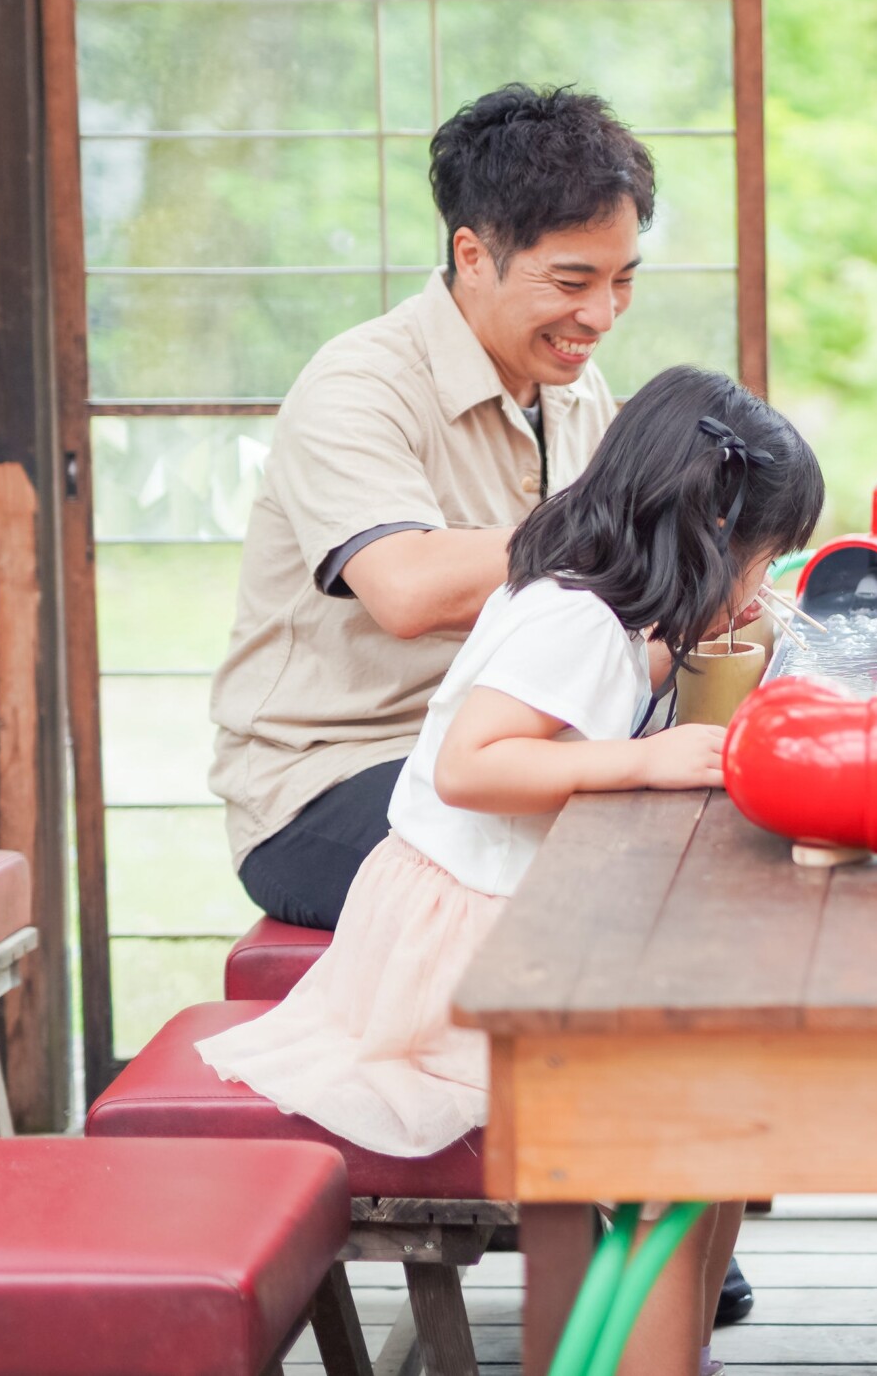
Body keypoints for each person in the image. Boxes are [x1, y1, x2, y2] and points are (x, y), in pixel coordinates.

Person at [200, 365, 825, 1376]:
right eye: (757, 563)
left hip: (509, 918)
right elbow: (471, 765)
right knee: (685, 1114)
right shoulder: (570, 616)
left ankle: (681, 1342)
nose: (757, 590)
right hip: (466, 956)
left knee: (719, 1084)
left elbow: (599, 687)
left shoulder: (603, 603)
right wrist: (643, 759)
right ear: (703, 532)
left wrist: (710, 647)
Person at [211, 82, 649, 934]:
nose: (600, 315)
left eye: (622, 280)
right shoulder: (359, 385)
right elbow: (407, 589)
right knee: (610, 874)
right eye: (572, 279)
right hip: (328, 785)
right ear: (474, 254)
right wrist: (621, 522)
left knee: (674, 824)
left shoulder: (573, 389)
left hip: (500, 746)